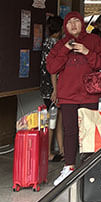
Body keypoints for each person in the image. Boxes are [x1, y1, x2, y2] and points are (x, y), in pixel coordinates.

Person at [46, 11, 101, 186]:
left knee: (89, 131)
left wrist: (87, 51)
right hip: (67, 95)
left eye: (76, 21)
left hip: (90, 93)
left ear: (82, 23)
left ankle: (89, 166)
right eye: (69, 23)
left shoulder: (94, 41)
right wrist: (66, 50)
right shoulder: (60, 44)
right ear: (65, 26)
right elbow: (52, 67)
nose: (73, 25)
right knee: (70, 131)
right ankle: (69, 167)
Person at [40, 15, 65, 162]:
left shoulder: (46, 42)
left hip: (47, 86)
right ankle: (48, 152)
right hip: (52, 88)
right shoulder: (55, 44)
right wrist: (55, 90)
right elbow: (53, 70)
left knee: (57, 119)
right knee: (53, 120)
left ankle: (61, 150)